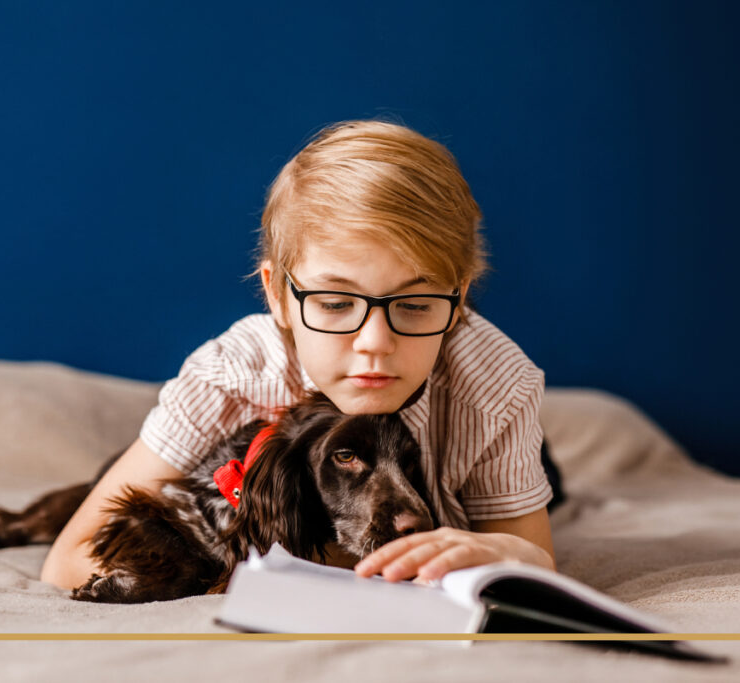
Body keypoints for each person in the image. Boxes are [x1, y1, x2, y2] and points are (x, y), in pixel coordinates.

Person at [40, 119, 563, 591]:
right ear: (277, 297)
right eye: (335, 303)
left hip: (474, 465)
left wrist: (511, 552)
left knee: (552, 484)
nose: (375, 343)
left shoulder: (497, 384)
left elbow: (535, 559)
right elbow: (69, 560)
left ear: (460, 298)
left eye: (417, 304)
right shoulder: (231, 373)